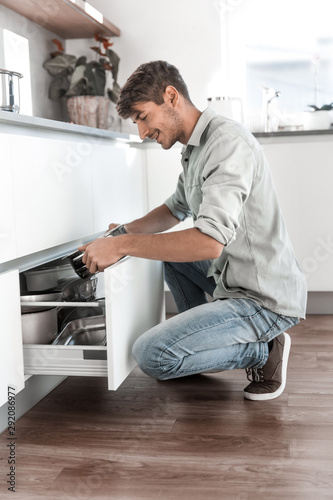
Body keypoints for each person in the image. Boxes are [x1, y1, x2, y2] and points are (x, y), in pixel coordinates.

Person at [79, 60, 307, 401]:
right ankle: (201, 339)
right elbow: (175, 208)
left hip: (263, 298)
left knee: (151, 356)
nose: (142, 133)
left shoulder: (227, 144)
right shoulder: (195, 148)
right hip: (234, 279)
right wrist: (120, 233)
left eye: (142, 117)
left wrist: (125, 244)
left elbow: (209, 244)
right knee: (171, 257)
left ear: (171, 96)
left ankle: (264, 350)